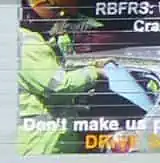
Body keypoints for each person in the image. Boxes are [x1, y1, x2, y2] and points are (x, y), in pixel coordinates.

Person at [17, 11, 100, 155]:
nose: (62, 20)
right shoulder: (29, 46)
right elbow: (57, 85)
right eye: (58, 16)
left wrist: (92, 64)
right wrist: (94, 72)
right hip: (41, 143)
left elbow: (59, 69)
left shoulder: (31, 42)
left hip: (45, 142)